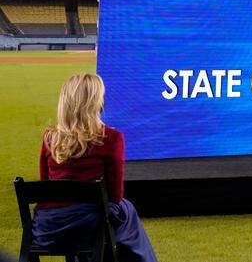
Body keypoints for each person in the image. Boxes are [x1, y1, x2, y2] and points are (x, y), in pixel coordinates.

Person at [34, 73, 159, 262]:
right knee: (124, 211)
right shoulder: (111, 138)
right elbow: (115, 195)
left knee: (111, 215)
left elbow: (46, 189)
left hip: (49, 228)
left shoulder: (49, 139)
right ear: (96, 102)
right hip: (90, 227)